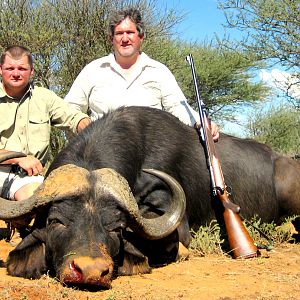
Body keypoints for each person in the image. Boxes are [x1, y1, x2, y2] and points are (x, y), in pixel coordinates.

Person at [65, 7, 220, 140]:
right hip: (101, 154)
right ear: (111, 38)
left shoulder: (159, 71)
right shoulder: (92, 70)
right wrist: (83, 125)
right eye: (119, 33)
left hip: (149, 157)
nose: (125, 39)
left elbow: (177, 107)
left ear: (141, 37)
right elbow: (68, 110)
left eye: (130, 32)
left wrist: (201, 122)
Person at [0, 45, 91, 204]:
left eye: (22, 68)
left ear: (32, 71)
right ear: (1, 69)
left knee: (61, 201)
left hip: (28, 178)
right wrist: (18, 158)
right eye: (10, 68)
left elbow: (73, 118)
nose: (15, 73)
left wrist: (91, 129)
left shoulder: (44, 97)